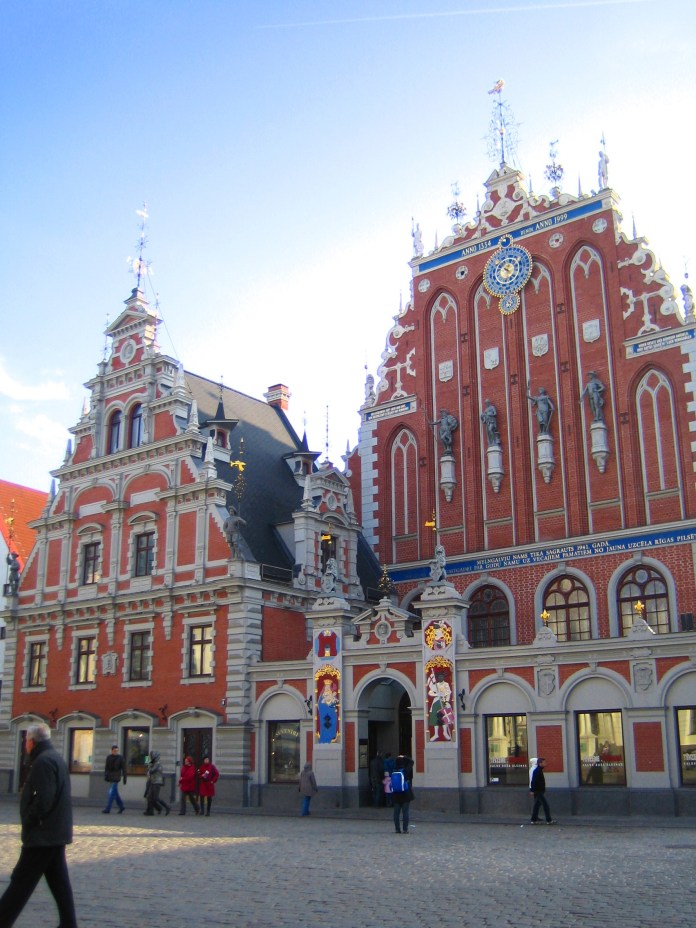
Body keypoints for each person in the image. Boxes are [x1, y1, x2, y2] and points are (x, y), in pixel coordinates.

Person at [0, 722, 78, 928]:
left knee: (21, 882)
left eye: (26, 741)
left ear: (32, 742)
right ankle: (69, 924)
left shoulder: (43, 762)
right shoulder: (55, 757)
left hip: (43, 833)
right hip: (55, 831)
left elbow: (44, 799)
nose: (25, 745)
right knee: (58, 881)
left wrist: (29, 819)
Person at [392, 754, 414, 834]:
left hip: (396, 794)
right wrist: (404, 756)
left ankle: (397, 829)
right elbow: (411, 762)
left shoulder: (394, 770)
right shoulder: (405, 770)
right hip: (405, 793)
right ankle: (405, 829)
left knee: (396, 813)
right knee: (405, 812)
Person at [529, 757, 555, 824]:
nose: (545, 763)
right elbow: (533, 781)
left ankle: (533, 819)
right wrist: (532, 790)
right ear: (540, 763)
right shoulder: (536, 771)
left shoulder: (538, 770)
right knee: (545, 805)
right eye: (544, 762)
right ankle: (549, 820)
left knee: (537, 805)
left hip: (539, 790)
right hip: (538, 791)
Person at [102, 744, 127, 814]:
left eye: (117, 751)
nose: (116, 752)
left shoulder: (120, 758)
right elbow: (106, 767)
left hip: (116, 777)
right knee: (115, 793)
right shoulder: (109, 757)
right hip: (110, 777)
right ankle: (121, 806)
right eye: (114, 750)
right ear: (112, 751)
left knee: (111, 793)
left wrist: (125, 778)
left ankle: (108, 808)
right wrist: (105, 775)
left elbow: (124, 769)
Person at [144, 751, 170, 816]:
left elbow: (152, 771)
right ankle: (150, 811)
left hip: (157, 782)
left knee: (156, 798)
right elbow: (148, 771)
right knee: (149, 797)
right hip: (153, 782)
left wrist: (149, 765)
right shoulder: (154, 763)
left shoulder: (157, 764)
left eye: (152, 757)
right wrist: (148, 764)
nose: (151, 758)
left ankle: (167, 807)